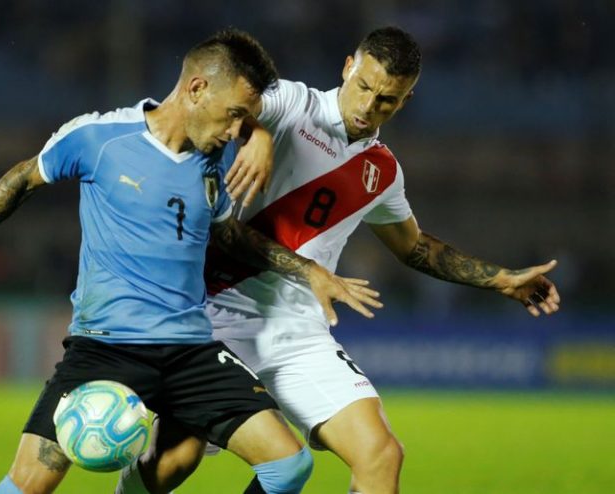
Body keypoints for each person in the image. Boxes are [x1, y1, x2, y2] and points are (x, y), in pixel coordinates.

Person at [0, 28, 382, 494]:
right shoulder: (100, 138)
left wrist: (310, 270)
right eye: (234, 115)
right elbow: (22, 178)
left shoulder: (212, 161)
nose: (238, 130)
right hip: (106, 347)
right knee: (27, 485)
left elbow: (229, 235)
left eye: (245, 121)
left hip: (192, 351)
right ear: (196, 89)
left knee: (290, 465)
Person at [119, 26, 562, 494]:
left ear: (405, 101)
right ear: (348, 68)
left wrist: (500, 280)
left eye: (387, 100)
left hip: (299, 332)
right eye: (365, 87)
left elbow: (414, 247)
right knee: (175, 460)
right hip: (216, 317)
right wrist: (259, 132)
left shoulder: (382, 172)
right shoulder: (292, 102)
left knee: (380, 455)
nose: (369, 106)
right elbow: (229, 102)